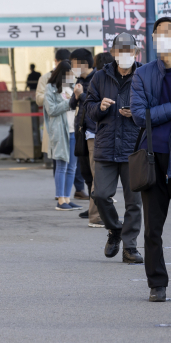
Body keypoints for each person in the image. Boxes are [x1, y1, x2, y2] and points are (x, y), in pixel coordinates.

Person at [130, 17, 171, 302]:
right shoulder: (142, 74)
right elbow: (138, 115)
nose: (159, 38)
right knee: (152, 228)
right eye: (156, 34)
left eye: (166, 34)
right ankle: (156, 283)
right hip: (152, 158)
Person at [85, 33, 143, 264]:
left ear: (136, 52)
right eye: (121, 51)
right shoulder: (100, 76)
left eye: (130, 50)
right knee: (100, 194)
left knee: (134, 202)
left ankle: (130, 247)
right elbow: (89, 107)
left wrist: (135, 113)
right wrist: (100, 106)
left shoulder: (144, 75)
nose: (126, 55)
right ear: (114, 52)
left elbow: (152, 107)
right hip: (107, 145)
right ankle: (115, 229)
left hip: (134, 147)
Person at [69, 49, 102, 227]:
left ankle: (97, 215)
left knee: (98, 176)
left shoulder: (98, 79)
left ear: (83, 63)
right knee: (87, 174)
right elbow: (72, 104)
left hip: (94, 132)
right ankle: (93, 210)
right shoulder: (79, 80)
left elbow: (93, 104)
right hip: (81, 132)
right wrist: (76, 95)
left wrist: (80, 94)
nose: (72, 67)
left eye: (73, 63)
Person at [43, 59, 81, 211]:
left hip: (74, 130)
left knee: (72, 167)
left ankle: (67, 198)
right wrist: (70, 102)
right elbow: (51, 110)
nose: (72, 76)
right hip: (60, 131)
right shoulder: (51, 88)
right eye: (70, 73)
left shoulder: (73, 88)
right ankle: (60, 200)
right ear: (63, 74)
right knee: (61, 166)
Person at [37, 49, 70, 169]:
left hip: (70, 123)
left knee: (73, 165)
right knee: (58, 162)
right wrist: (50, 96)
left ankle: (78, 187)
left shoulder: (72, 76)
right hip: (55, 122)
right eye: (61, 62)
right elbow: (38, 98)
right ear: (56, 61)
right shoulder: (46, 78)